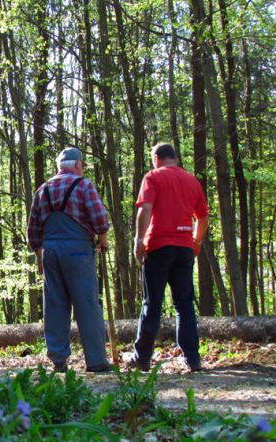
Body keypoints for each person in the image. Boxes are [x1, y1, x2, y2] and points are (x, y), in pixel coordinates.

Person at [27, 147, 111, 373]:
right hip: (78, 251)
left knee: (55, 305)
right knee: (87, 304)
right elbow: (99, 217)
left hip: (50, 252)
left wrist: (39, 256)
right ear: (78, 165)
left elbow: (33, 230)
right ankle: (96, 360)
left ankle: (58, 360)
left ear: (59, 167)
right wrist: (102, 238)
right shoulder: (83, 186)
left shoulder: (42, 190)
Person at [131, 143, 209, 373]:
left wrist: (138, 241)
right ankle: (192, 359)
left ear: (156, 158)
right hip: (184, 248)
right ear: (175, 158)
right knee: (184, 304)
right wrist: (196, 241)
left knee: (152, 303)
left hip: (158, 246)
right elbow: (202, 219)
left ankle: (142, 358)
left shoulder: (153, 177)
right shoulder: (192, 180)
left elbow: (145, 209)